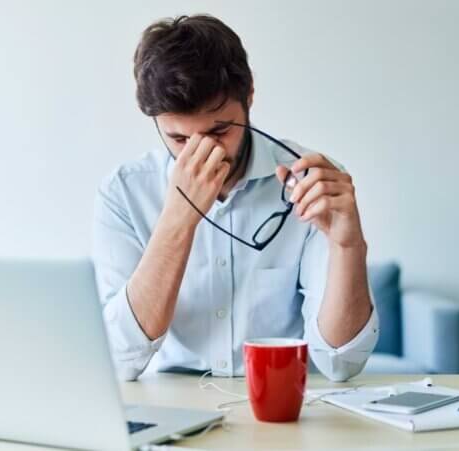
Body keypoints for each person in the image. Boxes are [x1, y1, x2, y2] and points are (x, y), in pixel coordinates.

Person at [92, 14, 378, 382]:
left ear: (250, 96)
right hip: (172, 407)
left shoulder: (313, 181)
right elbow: (121, 358)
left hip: (280, 403)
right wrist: (179, 217)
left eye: (220, 130)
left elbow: (341, 364)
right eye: (179, 139)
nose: (202, 154)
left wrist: (348, 246)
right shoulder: (125, 191)